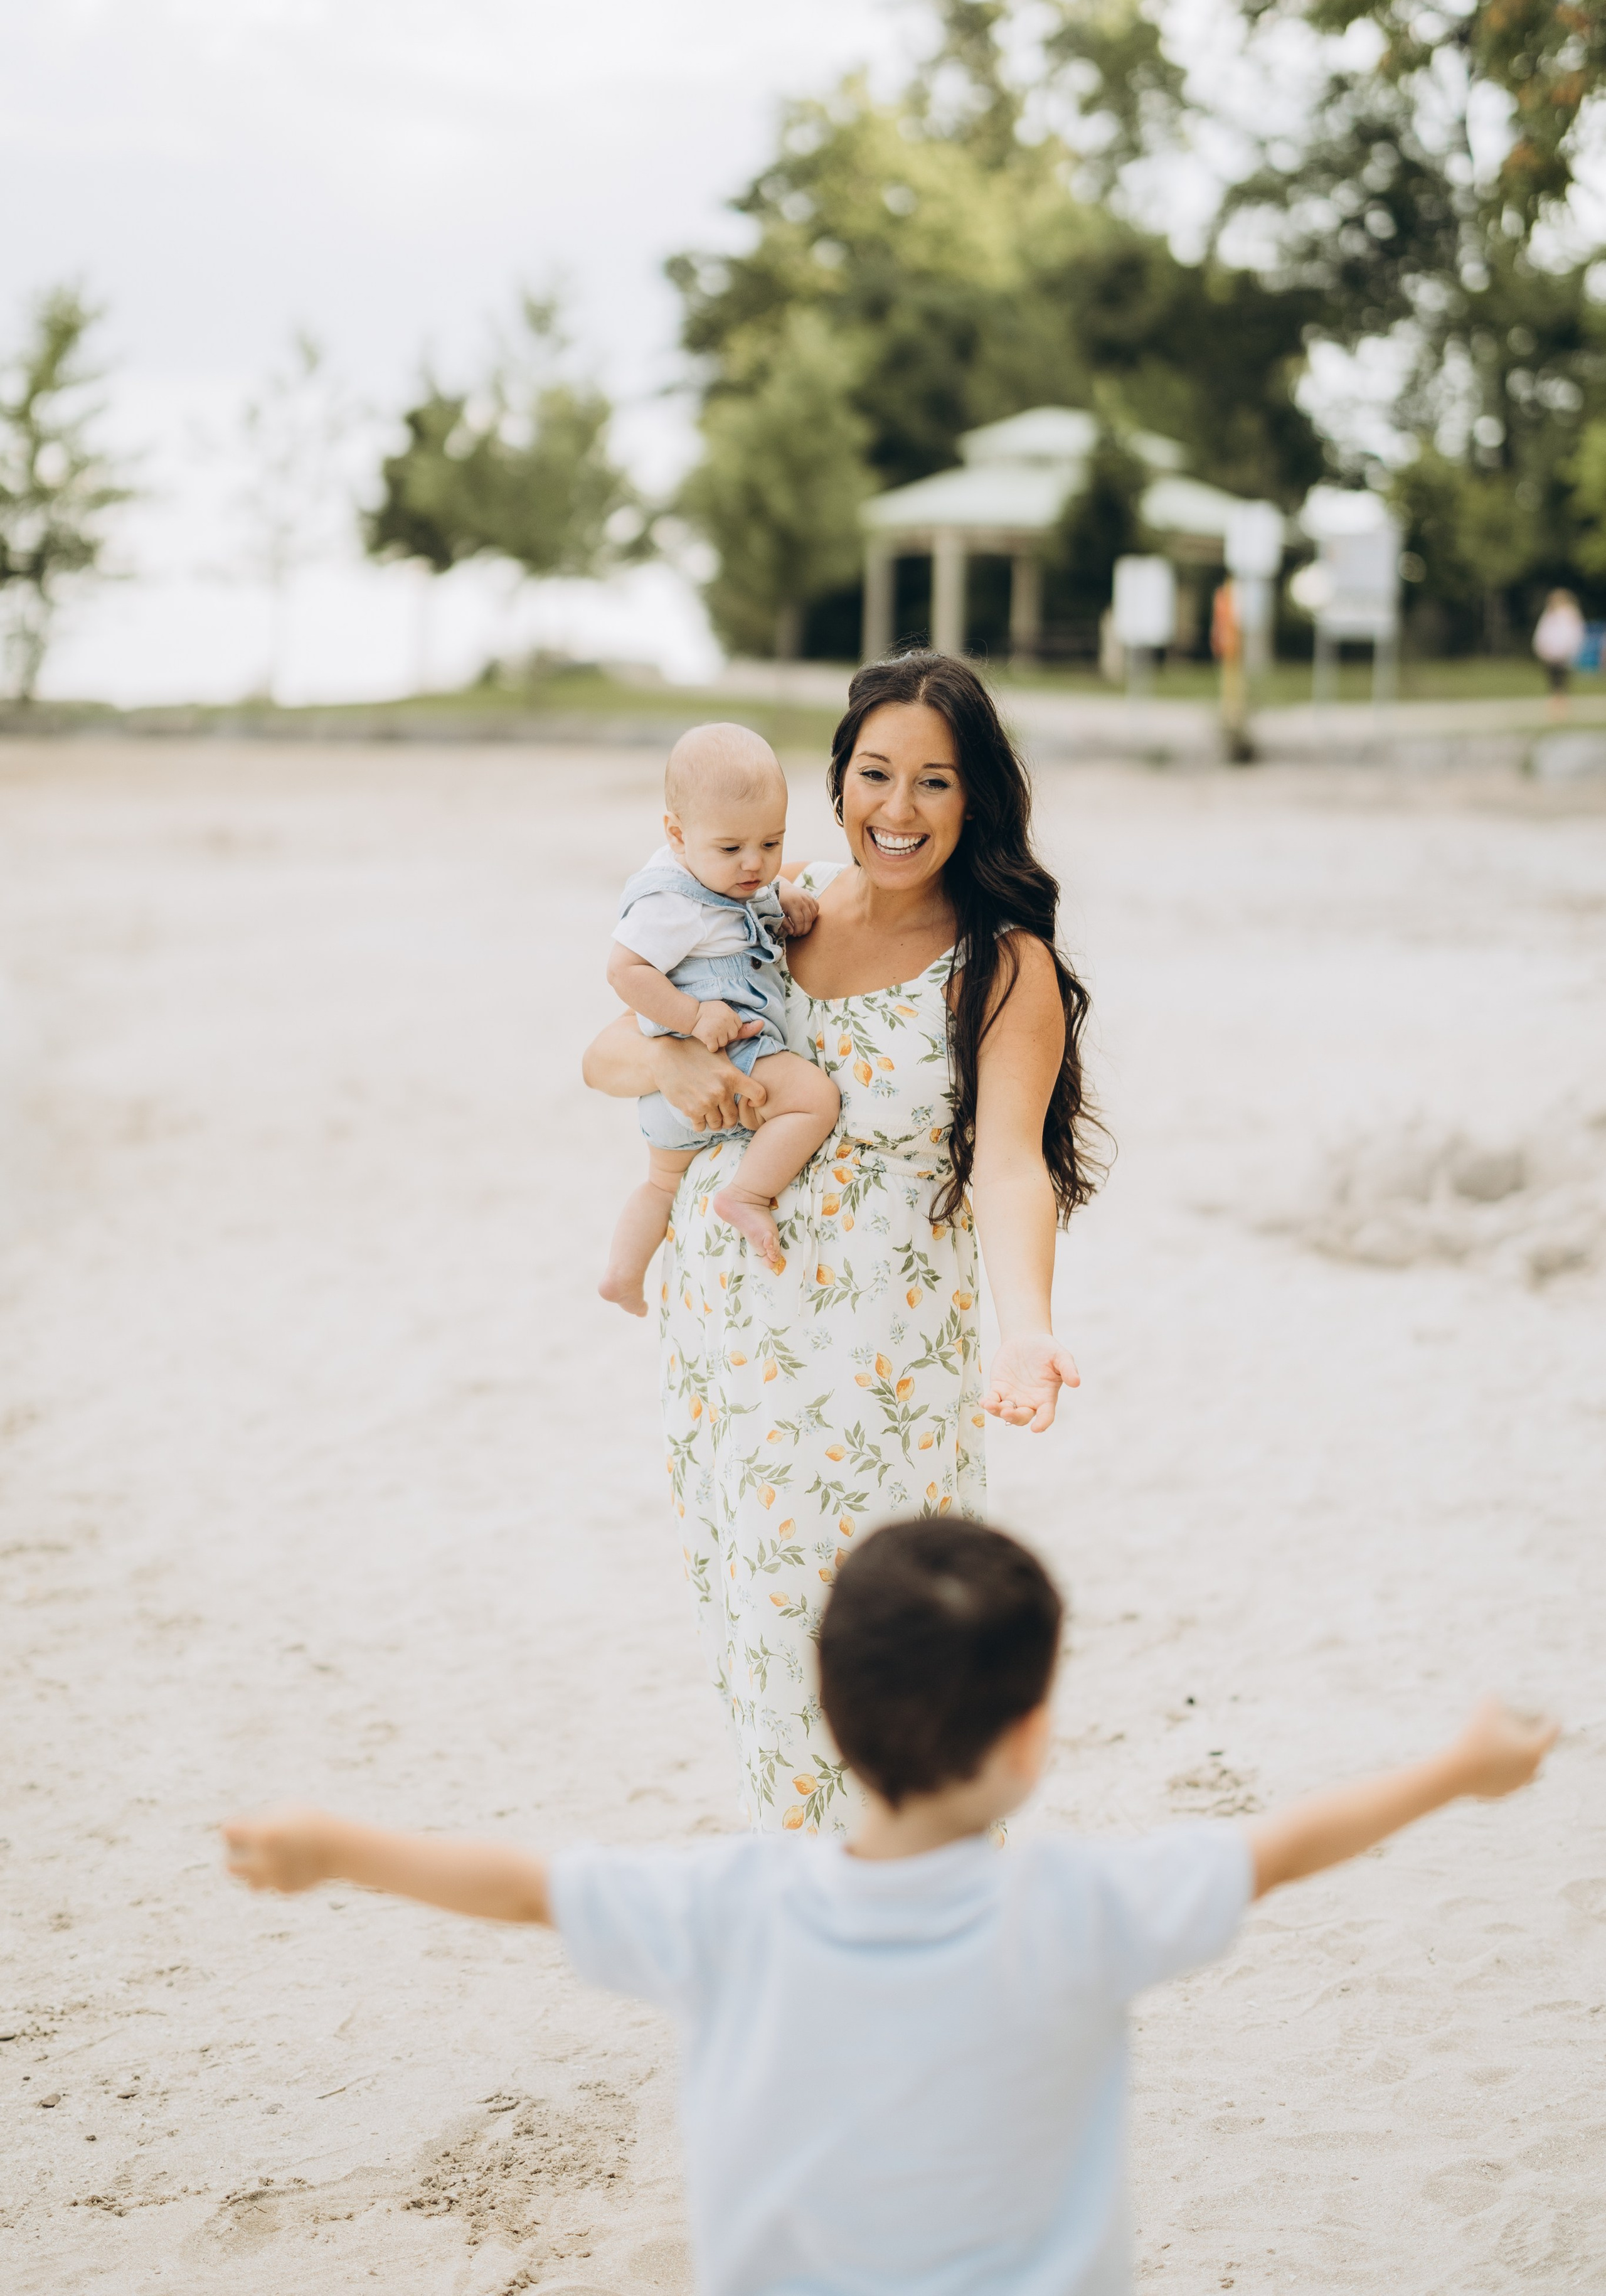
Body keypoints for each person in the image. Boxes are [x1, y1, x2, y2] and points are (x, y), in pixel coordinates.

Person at [223, 1516, 1559, 2296]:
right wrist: (1457, 1768)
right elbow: (1274, 1851)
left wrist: (335, 1847)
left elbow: (523, 1890)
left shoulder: (724, 1906)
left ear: (827, 1711)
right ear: (1029, 1735)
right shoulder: (1083, 1907)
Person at [580, 652, 1102, 1832]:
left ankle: (919, 1933)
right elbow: (603, 1057)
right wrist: (673, 1057)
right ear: (839, 779)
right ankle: (827, 1935)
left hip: (883, 1375)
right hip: (731, 1363)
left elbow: (1010, 1165)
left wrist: (1030, 1335)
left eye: (934, 782)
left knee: (900, 1670)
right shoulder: (774, 907)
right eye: (875, 773)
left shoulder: (1001, 964)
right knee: (765, 1657)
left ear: (978, 801)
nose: (898, 810)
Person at [599, 724, 841, 1311]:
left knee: (661, 1185)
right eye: (732, 850)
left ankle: (622, 1275)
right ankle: (748, 1195)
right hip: (726, 1054)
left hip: (672, 1103)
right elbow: (624, 971)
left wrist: (780, 895)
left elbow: (744, 900)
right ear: (677, 837)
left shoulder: (729, 879)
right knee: (814, 1099)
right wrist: (692, 1014)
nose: (753, 865)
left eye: (773, 844)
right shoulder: (671, 902)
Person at [1533, 587, 1585, 708]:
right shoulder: (1549, 614)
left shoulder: (1570, 614)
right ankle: (1556, 702)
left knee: (1562, 679)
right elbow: (1543, 633)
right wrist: (1542, 648)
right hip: (1551, 653)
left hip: (1564, 653)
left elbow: (1575, 633)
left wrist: (1571, 649)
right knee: (1553, 679)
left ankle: (1562, 703)